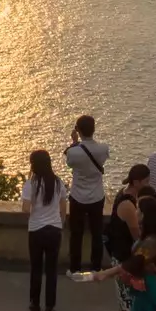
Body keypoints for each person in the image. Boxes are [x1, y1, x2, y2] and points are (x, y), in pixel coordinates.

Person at [23, 148, 68, 311]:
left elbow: (25, 209)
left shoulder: (31, 184)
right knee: (51, 269)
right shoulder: (58, 182)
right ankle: (50, 306)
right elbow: (63, 207)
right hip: (54, 229)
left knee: (36, 268)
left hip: (36, 230)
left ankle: (35, 303)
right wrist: (59, 224)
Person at [66, 115, 112, 272]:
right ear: (94, 129)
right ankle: (96, 268)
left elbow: (70, 163)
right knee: (97, 234)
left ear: (77, 131)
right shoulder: (103, 149)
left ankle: (75, 269)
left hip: (77, 196)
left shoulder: (73, 152)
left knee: (76, 234)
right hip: (97, 196)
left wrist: (74, 142)